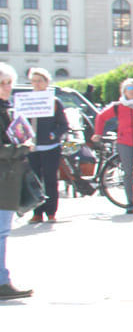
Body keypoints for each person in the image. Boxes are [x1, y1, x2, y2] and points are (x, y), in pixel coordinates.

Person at [93, 78, 133, 215]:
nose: (132, 91)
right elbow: (101, 117)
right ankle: (130, 203)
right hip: (125, 141)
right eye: (129, 89)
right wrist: (98, 133)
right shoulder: (118, 106)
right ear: (124, 91)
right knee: (128, 172)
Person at [0, 63, 34, 299]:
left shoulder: (7, 109)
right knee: (1, 232)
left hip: (8, 179)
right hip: (3, 180)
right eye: (2, 83)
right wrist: (22, 148)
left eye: (9, 82)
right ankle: (2, 282)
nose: (6, 87)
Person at [26, 68, 68, 224]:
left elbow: (63, 125)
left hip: (50, 148)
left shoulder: (54, 102)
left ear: (46, 82)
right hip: (32, 147)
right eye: (34, 81)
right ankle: (37, 213)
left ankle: (51, 212)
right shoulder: (26, 101)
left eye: (40, 81)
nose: (36, 84)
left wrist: (53, 134)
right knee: (34, 181)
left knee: (50, 180)